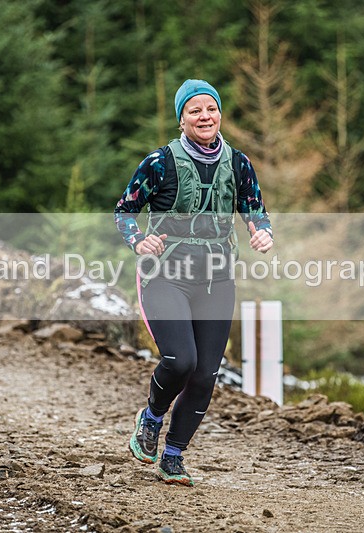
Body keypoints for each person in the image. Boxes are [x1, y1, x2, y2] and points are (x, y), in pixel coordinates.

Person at [114, 79, 273, 486]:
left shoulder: (238, 163)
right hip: (165, 275)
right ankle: (150, 418)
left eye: (211, 109)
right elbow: (124, 211)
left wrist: (262, 232)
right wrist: (138, 239)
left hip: (217, 280)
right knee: (181, 362)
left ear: (220, 114)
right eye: (195, 111)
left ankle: (173, 455)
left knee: (205, 374)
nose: (205, 116)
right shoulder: (159, 162)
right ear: (181, 119)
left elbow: (256, 210)